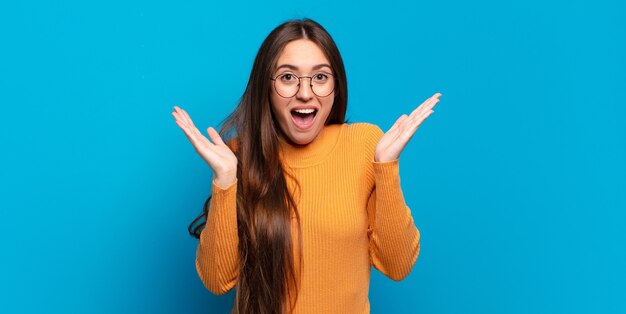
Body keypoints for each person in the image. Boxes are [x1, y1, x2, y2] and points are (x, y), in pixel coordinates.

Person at [171, 18, 441, 314]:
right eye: (288, 77)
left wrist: (387, 167)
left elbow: (397, 264)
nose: (305, 92)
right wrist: (224, 179)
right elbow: (216, 281)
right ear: (267, 88)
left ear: (336, 86)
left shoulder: (365, 145)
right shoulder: (238, 157)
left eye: (320, 77)